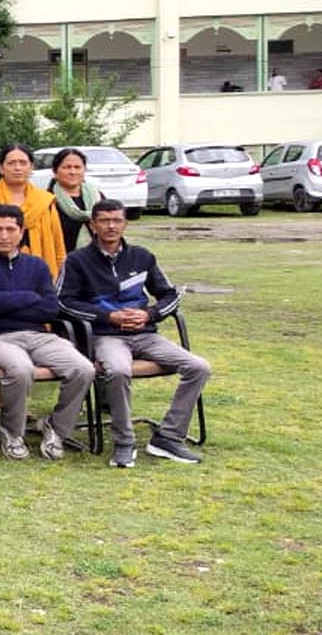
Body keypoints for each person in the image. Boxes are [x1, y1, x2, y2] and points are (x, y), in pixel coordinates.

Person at [56, 199, 212, 468]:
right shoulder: (77, 261)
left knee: (198, 366)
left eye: (117, 220)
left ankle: (169, 437)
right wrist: (108, 316)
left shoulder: (142, 256)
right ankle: (124, 443)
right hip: (105, 336)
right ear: (92, 225)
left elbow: (170, 295)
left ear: (125, 223)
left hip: (145, 334)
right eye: (104, 220)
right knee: (118, 371)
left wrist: (149, 314)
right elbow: (63, 303)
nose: (111, 226)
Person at [0, 204, 94, 461]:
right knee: (20, 369)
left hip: (38, 336)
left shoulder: (37, 266)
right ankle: (12, 433)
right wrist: (29, 297)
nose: (4, 235)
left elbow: (49, 309)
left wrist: (2, 300)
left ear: (21, 232)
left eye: (10, 229)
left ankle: (56, 428)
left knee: (83, 368)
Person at [0, 144, 67, 280]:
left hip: (41, 271)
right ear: (1, 168)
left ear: (31, 168)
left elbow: (57, 242)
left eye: (23, 163)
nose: (17, 168)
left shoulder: (44, 201)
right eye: (11, 163)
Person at [44, 148, 98, 255]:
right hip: (60, 258)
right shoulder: (47, 201)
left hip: (96, 259)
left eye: (77, 167)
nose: (72, 172)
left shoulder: (97, 196)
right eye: (67, 167)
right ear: (55, 171)